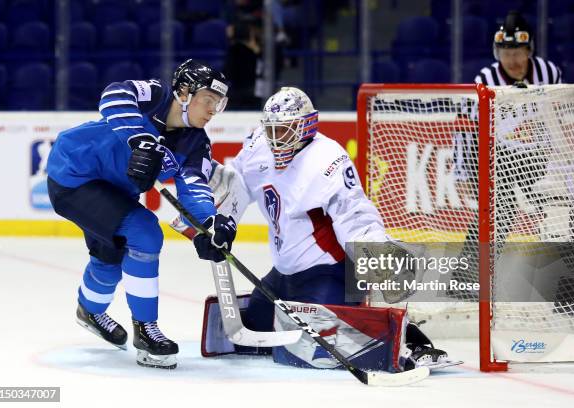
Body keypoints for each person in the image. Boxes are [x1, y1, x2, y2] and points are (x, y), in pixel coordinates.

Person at [174, 87, 455, 371]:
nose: (275, 139)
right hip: (282, 274)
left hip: (328, 273)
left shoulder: (328, 160)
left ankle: (412, 343)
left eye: (284, 131)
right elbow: (238, 185)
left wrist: (376, 256)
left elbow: (355, 215)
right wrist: (213, 222)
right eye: (271, 130)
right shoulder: (259, 144)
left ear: (306, 126)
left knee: (321, 351)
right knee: (251, 336)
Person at [46, 59, 238, 369]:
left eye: (220, 103)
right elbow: (114, 95)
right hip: (73, 174)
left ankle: (89, 310)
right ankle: (146, 331)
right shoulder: (158, 95)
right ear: (185, 92)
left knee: (109, 258)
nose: (214, 109)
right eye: (209, 100)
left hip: (115, 192)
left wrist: (209, 223)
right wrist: (141, 139)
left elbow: (193, 186)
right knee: (144, 233)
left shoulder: (195, 144)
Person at [452, 11, 574, 332]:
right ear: (497, 52)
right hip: (500, 157)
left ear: (529, 51)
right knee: (493, 219)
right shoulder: (483, 81)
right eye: (506, 53)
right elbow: (464, 130)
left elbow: (560, 118)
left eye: (517, 53)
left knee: (564, 216)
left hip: (541, 159)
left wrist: (565, 162)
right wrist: (464, 173)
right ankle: (464, 288)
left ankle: (572, 298)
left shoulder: (550, 72)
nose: (512, 60)